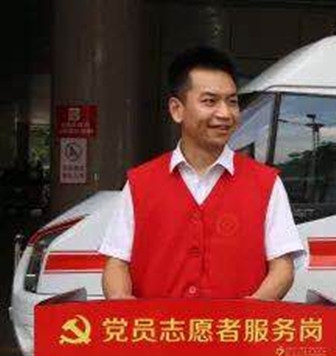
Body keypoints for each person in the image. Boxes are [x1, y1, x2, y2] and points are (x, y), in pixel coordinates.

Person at [100, 46, 304, 301]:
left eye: (232, 102)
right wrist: (121, 301)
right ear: (177, 109)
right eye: (210, 101)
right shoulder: (140, 183)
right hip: (160, 326)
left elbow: (282, 268)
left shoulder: (266, 184)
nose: (225, 113)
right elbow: (117, 263)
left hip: (233, 327)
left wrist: (248, 312)